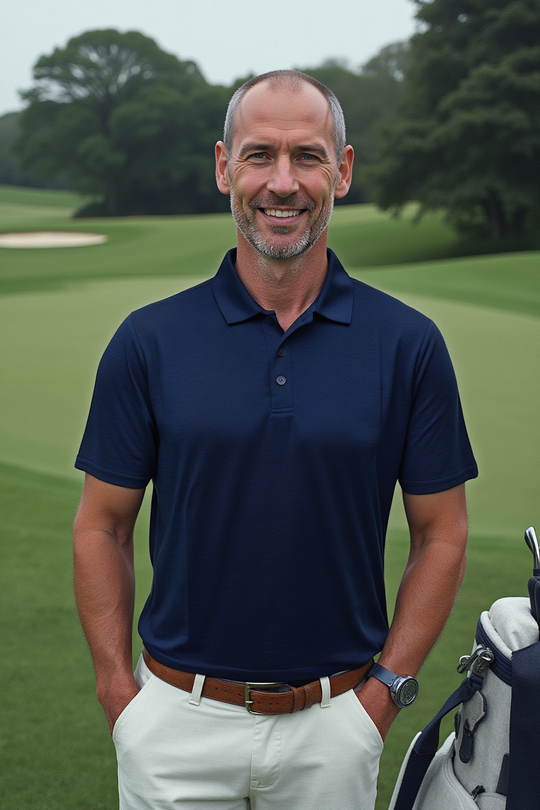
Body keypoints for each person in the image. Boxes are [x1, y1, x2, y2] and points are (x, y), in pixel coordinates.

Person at [73, 70, 478, 810]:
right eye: (260, 156)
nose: (282, 183)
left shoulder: (409, 345)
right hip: (174, 725)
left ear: (343, 171)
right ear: (224, 166)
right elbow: (102, 524)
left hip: (336, 727)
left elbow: (442, 533)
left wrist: (384, 695)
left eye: (308, 157)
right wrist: (118, 694)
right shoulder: (149, 341)